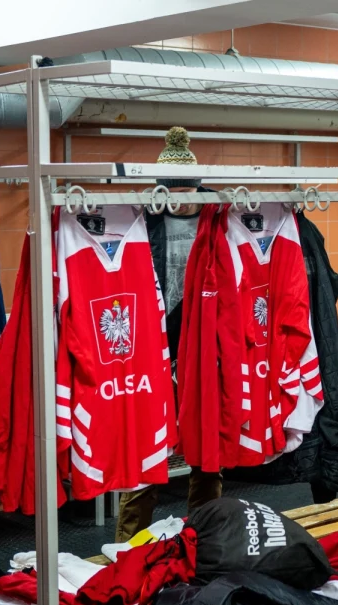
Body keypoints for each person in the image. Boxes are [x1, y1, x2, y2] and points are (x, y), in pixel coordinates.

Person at [116, 128, 221, 541]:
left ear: (199, 186)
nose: (180, 194)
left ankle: (207, 537)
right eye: (171, 187)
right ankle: (128, 544)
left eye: (187, 187)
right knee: (146, 447)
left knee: (207, 449)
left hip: (202, 342)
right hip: (152, 342)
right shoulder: (141, 216)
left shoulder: (218, 215)